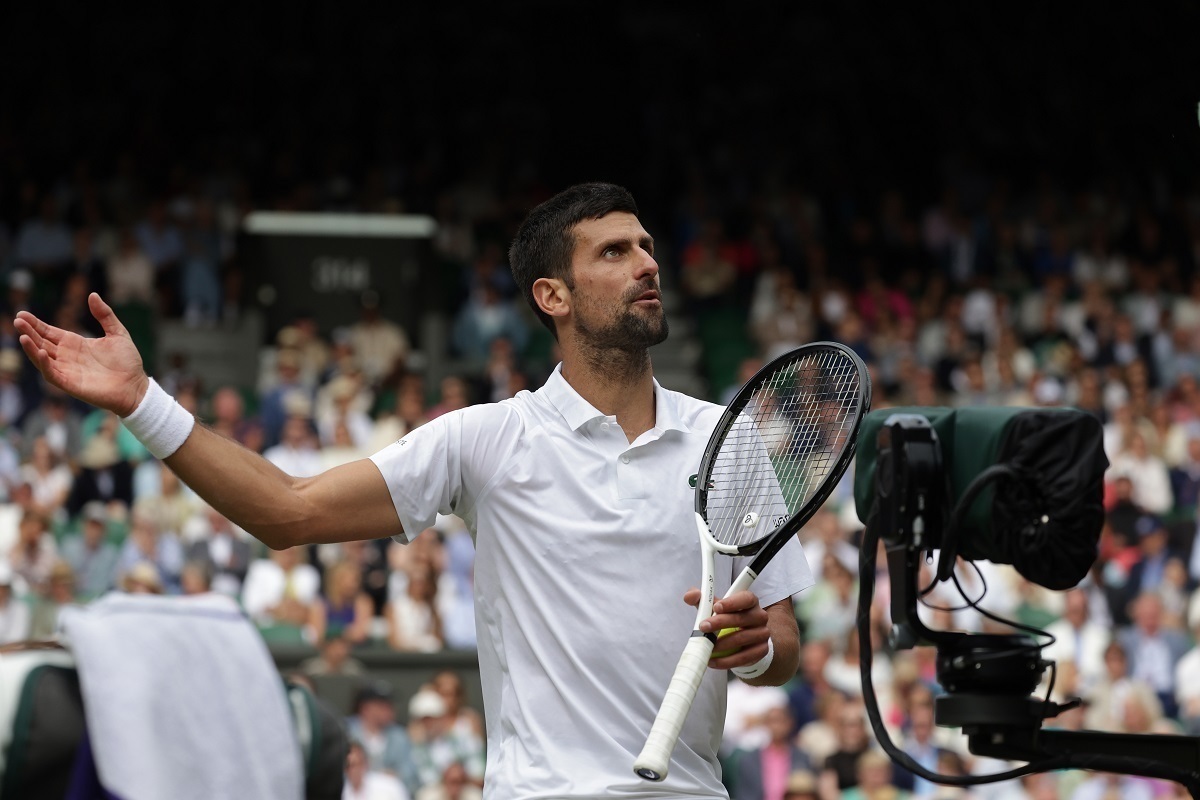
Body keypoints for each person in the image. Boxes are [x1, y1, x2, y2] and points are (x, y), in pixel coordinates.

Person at [14, 182, 811, 799]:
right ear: (552, 296)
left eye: (644, 246)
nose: (647, 264)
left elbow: (781, 644)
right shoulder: (486, 440)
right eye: (612, 252)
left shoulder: (728, 439)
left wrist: (760, 647)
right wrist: (141, 402)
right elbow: (286, 512)